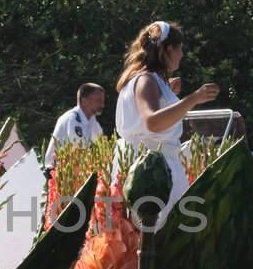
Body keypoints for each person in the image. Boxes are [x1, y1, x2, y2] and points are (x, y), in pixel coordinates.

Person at [114, 20, 223, 219]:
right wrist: (193, 99)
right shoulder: (146, 80)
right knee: (161, 236)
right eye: (179, 49)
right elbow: (152, 122)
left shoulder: (149, 79)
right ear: (167, 50)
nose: (182, 55)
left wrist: (168, 93)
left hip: (150, 166)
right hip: (152, 174)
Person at [43, 83, 107, 171]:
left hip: (72, 169)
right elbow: (79, 150)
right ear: (85, 100)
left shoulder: (91, 119)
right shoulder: (73, 119)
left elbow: (102, 144)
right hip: (57, 172)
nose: (102, 105)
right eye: (98, 101)